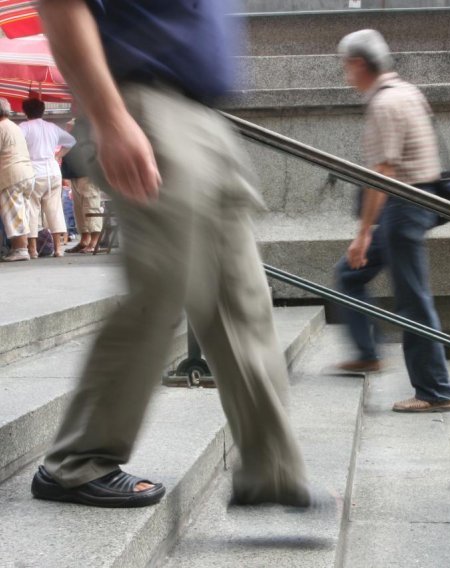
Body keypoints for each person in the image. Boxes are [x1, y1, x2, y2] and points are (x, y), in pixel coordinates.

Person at [32, 0, 318, 510]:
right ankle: (76, 461)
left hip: (202, 115)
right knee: (161, 288)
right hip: (146, 105)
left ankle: (270, 469)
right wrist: (110, 117)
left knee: (242, 298)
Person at [334, 29, 450, 413]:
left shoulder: (385, 104)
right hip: (406, 206)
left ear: (357, 64)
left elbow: (382, 174)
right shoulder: (408, 92)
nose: (345, 75)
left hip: (402, 208)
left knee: (414, 301)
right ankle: (368, 351)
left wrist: (362, 232)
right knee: (349, 275)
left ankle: (435, 391)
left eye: (345, 67)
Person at [19, 97, 76, 258]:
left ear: (25, 111)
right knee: (55, 209)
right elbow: (71, 141)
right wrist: (58, 155)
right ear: (43, 110)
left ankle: (32, 250)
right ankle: (58, 249)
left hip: (33, 171)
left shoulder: (23, 127)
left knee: (31, 209)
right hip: (53, 171)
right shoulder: (52, 127)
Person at [0, 97, 36, 262]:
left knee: (14, 213)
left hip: (11, 174)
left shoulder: (1, 127)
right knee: (23, 212)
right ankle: (23, 248)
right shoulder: (13, 126)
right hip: (26, 173)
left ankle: (21, 249)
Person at [62, 116, 103, 253]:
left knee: (91, 206)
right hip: (75, 173)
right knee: (78, 209)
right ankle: (85, 239)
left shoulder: (90, 128)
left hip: (88, 173)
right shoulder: (76, 128)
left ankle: (94, 241)